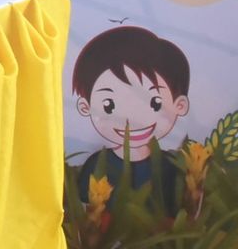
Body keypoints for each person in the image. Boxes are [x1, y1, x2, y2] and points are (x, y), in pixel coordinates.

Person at [70, 25, 192, 212]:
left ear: (180, 105)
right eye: (109, 105)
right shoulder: (97, 165)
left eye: (155, 103)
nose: (132, 118)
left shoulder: (170, 168)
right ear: (85, 107)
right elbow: (84, 210)